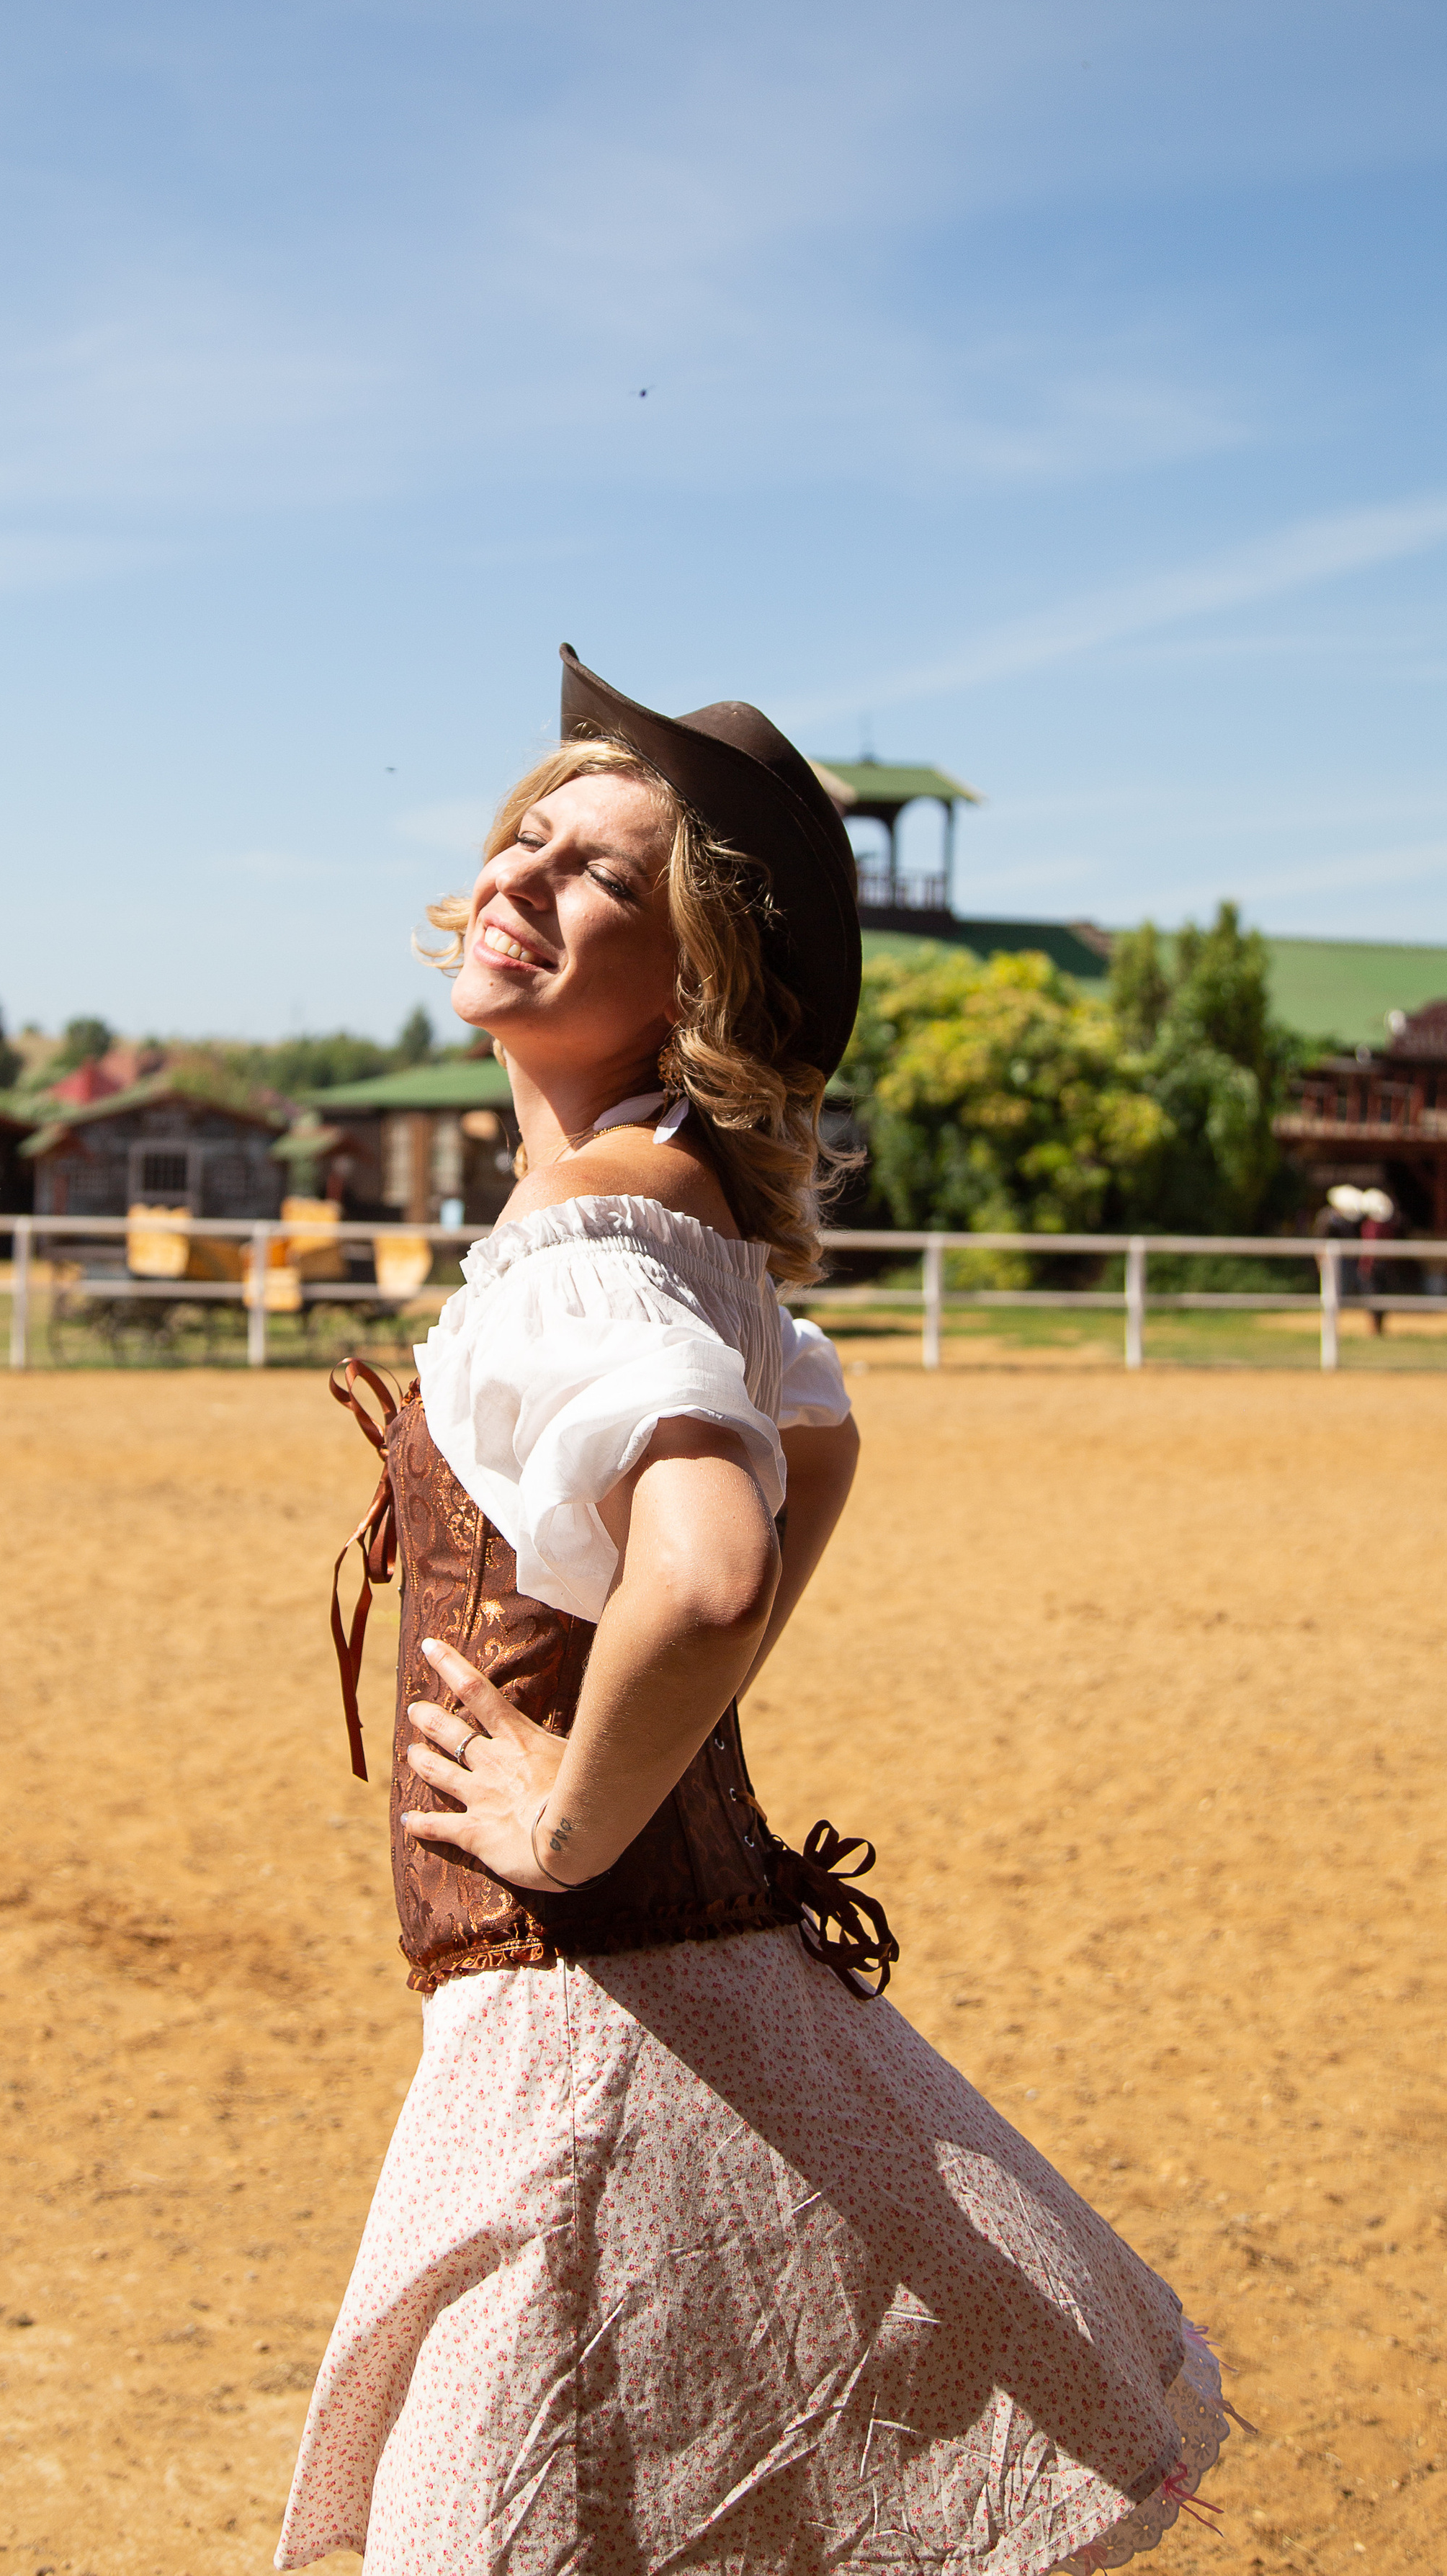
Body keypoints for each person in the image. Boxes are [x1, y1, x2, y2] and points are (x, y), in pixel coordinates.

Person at [278, 645, 1239, 2576]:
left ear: (697, 982)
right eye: (521, 842)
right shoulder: (688, 1228)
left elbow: (710, 1565)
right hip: (715, 1996)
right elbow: (823, 1419)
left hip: (589, 2029)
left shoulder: (582, 1246)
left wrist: (570, 1814)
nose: (523, 881)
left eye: (602, 876)